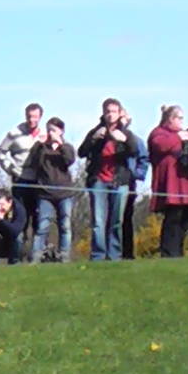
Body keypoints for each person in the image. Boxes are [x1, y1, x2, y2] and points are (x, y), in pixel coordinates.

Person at [77, 98, 139, 261]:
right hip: (98, 180)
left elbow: (135, 152)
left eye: (114, 112)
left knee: (116, 220)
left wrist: (124, 141)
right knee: (98, 221)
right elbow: (81, 152)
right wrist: (93, 140)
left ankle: (114, 255)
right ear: (103, 114)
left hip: (119, 181)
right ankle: (98, 255)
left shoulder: (126, 133)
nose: (110, 115)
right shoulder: (96, 131)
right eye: (108, 112)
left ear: (119, 114)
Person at [148, 104, 188, 258]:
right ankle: (169, 253)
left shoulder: (185, 133)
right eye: (179, 118)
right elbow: (161, 145)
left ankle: (179, 253)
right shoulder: (158, 133)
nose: (182, 121)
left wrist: (186, 137)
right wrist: (177, 138)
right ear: (171, 119)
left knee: (186, 221)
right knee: (172, 220)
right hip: (172, 187)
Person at [26, 117, 78, 263]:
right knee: (42, 225)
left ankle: (64, 255)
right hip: (45, 194)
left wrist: (60, 144)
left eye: (54, 130)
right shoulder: (41, 147)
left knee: (65, 225)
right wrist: (40, 145)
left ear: (61, 131)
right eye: (49, 130)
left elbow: (69, 160)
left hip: (65, 193)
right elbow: (33, 163)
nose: (51, 133)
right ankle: (36, 256)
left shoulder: (67, 147)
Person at [0, 103, 46, 252]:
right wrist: (11, 168)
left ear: (40, 117)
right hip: (20, 180)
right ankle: (18, 251)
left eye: (35, 117)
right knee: (21, 216)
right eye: (29, 116)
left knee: (39, 217)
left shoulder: (45, 133)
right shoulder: (14, 133)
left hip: (39, 181)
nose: (32, 120)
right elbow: (0, 152)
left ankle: (37, 252)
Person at [121, 108, 150, 259]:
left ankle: (127, 253)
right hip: (106, 182)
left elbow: (144, 159)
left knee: (126, 218)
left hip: (128, 184)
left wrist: (136, 174)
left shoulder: (136, 140)